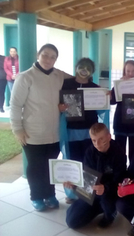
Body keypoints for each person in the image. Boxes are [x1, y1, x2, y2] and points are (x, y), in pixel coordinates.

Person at [10, 44, 72, 211]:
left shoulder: (59, 75)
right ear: (38, 55)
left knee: (51, 166)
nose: (48, 59)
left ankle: (49, 194)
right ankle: (36, 196)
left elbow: (79, 79)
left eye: (53, 57)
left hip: (54, 132)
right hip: (32, 133)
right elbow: (15, 105)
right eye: (45, 55)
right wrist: (18, 129)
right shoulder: (25, 77)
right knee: (36, 166)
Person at [59, 58, 104, 203]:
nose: (84, 69)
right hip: (71, 130)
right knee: (73, 161)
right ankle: (72, 194)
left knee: (88, 163)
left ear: (92, 71)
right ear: (76, 67)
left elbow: (102, 110)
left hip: (90, 132)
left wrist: (105, 98)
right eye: (81, 66)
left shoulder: (96, 88)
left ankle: (87, 193)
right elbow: (56, 102)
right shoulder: (66, 85)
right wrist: (59, 107)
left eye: (88, 67)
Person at [66, 123, 127, 229]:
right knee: (72, 221)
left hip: (110, 192)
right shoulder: (90, 152)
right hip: (93, 191)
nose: (97, 144)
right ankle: (98, 207)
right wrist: (75, 184)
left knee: (107, 203)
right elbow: (86, 176)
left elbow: (121, 180)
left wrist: (105, 188)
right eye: (94, 140)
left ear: (109, 137)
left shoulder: (118, 152)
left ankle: (110, 212)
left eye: (100, 139)